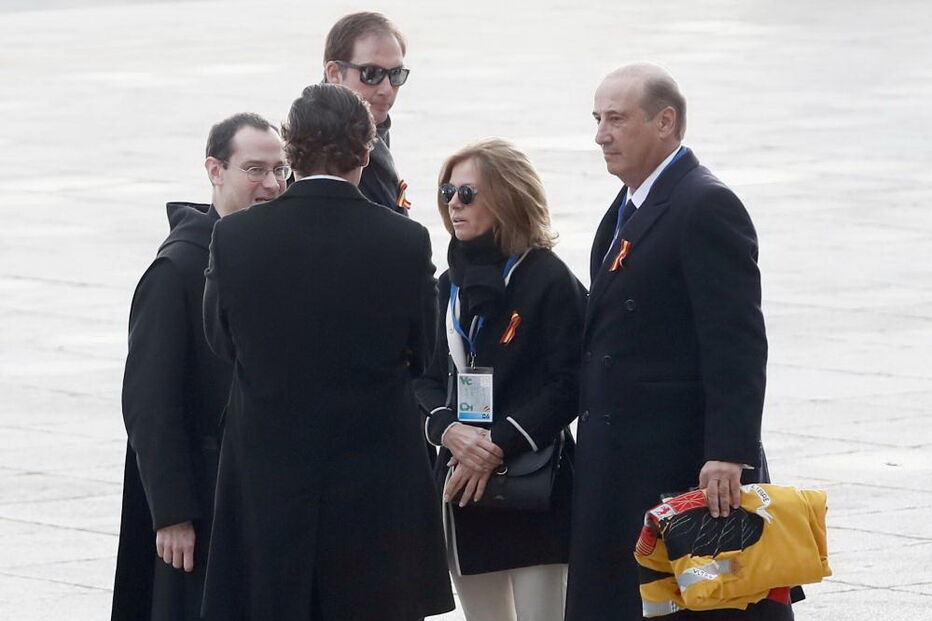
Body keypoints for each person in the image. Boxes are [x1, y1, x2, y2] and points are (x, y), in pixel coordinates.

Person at [200, 83, 453, 621]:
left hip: (268, 471)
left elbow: (221, 341)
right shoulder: (404, 240)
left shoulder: (236, 237)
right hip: (374, 477)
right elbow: (425, 351)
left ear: (291, 151)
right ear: (365, 150)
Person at [565, 63, 787, 620]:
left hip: (676, 461)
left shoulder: (703, 204)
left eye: (616, 119)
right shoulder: (628, 206)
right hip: (620, 461)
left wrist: (729, 452)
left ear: (665, 122)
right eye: (597, 119)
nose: (600, 134)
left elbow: (736, 339)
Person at [111, 113, 287, 621]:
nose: (272, 184)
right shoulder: (179, 268)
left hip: (256, 496)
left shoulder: (269, 254)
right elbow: (149, 401)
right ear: (215, 170)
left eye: (280, 169)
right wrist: (171, 514)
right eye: (255, 169)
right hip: (200, 504)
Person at [414, 138, 586, 621]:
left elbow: (570, 381)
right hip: (465, 486)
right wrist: (450, 431)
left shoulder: (548, 278)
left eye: (467, 193)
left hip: (535, 481)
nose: (453, 203)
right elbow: (420, 380)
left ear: (507, 197)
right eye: (448, 191)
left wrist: (496, 445)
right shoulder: (446, 283)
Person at [323, 11, 412, 214]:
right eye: (371, 74)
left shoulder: (373, 129)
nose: (386, 89)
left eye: (396, 74)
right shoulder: (319, 145)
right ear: (334, 74)